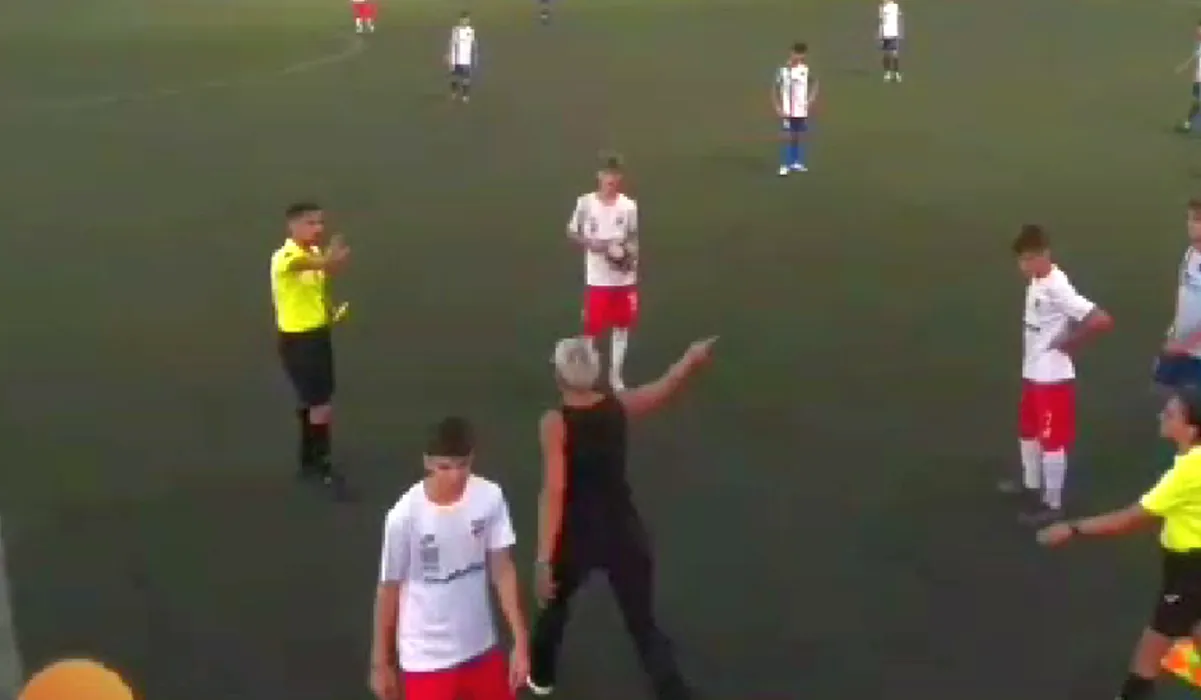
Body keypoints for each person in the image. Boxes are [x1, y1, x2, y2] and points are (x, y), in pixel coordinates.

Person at [526, 334, 718, 700]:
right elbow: (662, 389)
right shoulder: (618, 407)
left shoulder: (555, 423)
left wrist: (543, 559)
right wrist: (690, 359)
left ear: (559, 377)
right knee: (643, 624)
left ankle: (541, 676)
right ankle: (674, 692)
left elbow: (555, 490)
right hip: (621, 528)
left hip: (575, 534)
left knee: (553, 608)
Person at [1037, 389, 1201, 700]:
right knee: (1194, 628)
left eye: (1170, 415)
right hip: (1189, 567)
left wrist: (1072, 528)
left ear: (1191, 430)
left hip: (1190, 572)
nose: (1161, 417)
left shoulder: (1188, 473)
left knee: (1149, 652)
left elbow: (1129, 520)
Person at [370, 417, 529, 700]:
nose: (455, 476)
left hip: (480, 647)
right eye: (445, 467)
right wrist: (381, 664)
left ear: (473, 459)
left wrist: (521, 640)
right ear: (427, 463)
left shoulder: (489, 497)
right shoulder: (403, 517)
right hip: (426, 659)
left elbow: (502, 569)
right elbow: (389, 589)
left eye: (462, 465)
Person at [998, 224, 1113, 523]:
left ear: (1044, 254)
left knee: (1052, 442)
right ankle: (1030, 485)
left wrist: (1072, 343)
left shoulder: (1057, 287)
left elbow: (1101, 320)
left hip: (1052, 379)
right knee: (1027, 431)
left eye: (1028, 259)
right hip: (1033, 372)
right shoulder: (1037, 281)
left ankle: (1052, 504)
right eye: (1020, 260)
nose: (1023, 266)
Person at [270, 202, 352, 499]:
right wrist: (330, 259)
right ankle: (322, 462)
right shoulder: (286, 258)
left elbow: (319, 284)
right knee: (321, 404)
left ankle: (308, 459)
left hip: (317, 334)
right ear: (292, 226)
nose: (318, 229)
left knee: (311, 400)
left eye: (320, 223)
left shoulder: (315, 254)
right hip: (299, 340)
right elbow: (308, 266)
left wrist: (329, 311)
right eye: (310, 223)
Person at [566, 154, 640, 391]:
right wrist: (591, 244)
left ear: (620, 177)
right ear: (599, 176)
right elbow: (571, 232)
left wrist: (629, 256)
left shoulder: (628, 206)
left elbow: (633, 237)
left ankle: (615, 376)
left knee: (622, 328)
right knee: (591, 330)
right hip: (598, 280)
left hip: (624, 279)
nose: (611, 179)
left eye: (615, 174)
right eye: (607, 174)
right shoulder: (585, 203)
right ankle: (587, 377)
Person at [1156, 199, 1201, 392]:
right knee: (1165, 396)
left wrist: (1186, 345)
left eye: (1197, 220)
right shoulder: (1190, 253)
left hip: (1195, 355)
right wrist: (1173, 334)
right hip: (1179, 349)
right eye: (1190, 219)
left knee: (1183, 407)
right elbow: (1183, 294)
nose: (1190, 225)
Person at [772, 42, 818, 176]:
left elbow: (815, 82)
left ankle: (796, 162)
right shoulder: (783, 70)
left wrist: (811, 99)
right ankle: (784, 165)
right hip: (787, 110)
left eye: (801, 54)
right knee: (787, 136)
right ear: (791, 52)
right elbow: (774, 89)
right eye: (796, 53)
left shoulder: (805, 69)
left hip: (801, 110)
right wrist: (777, 107)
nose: (798, 56)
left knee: (797, 136)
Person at [1176, 21, 1201, 132]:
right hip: (1198, 79)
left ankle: (1189, 123)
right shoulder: (1197, 44)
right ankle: (1188, 123)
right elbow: (1194, 56)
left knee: (1197, 102)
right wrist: (1184, 65)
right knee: (1196, 102)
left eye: (1199, 30)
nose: (1197, 32)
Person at [447, 12, 478, 103]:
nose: (465, 21)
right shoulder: (456, 30)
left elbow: (473, 43)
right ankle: (454, 92)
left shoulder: (470, 30)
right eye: (463, 20)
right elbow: (452, 43)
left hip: (466, 58)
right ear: (460, 20)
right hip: (457, 58)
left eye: (466, 20)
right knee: (454, 77)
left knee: (466, 78)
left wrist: (475, 55)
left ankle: (465, 95)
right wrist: (450, 56)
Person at [878, 0, 903, 82]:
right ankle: (887, 73)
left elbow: (899, 18)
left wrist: (899, 32)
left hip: (894, 34)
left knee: (895, 54)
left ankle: (896, 73)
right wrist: (880, 35)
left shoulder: (895, 7)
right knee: (886, 55)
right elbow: (881, 22)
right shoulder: (882, 8)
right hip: (886, 34)